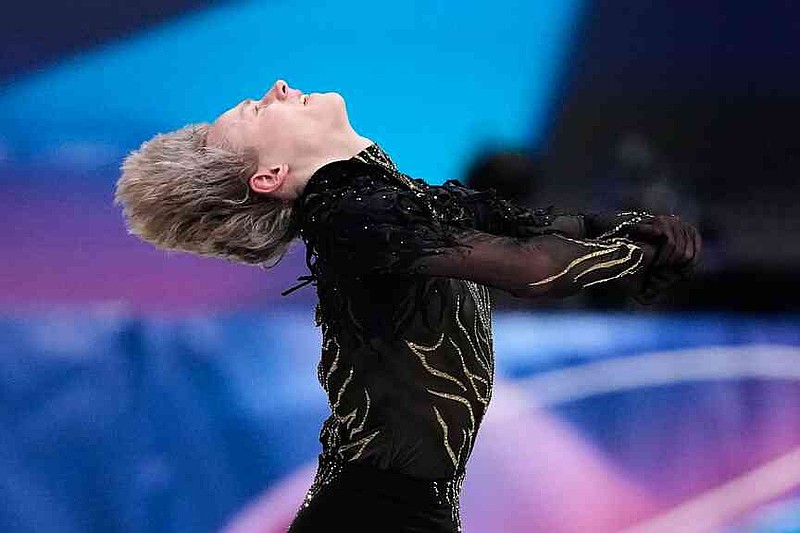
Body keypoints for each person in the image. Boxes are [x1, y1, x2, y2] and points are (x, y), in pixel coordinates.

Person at [114, 79, 701, 532]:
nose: (279, 89)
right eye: (258, 111)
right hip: (374, 515)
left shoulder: (391, 199)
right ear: (269, 176)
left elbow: (530, 226)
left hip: (392, 510)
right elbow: (531, 269)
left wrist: (638, 229)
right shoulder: (350, 217)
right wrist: (636, 254)